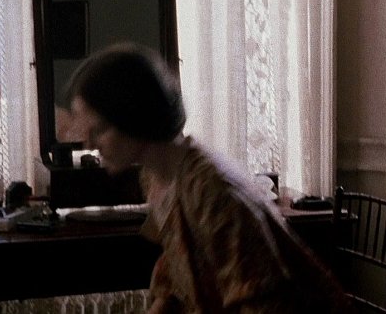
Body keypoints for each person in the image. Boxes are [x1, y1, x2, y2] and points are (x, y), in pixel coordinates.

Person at [65, 42, 353, 313]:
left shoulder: (211, 191)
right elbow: (177, 272)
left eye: (99, 129)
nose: (88, 143)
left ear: (135, 117)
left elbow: (263, 302)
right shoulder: (156, 177)